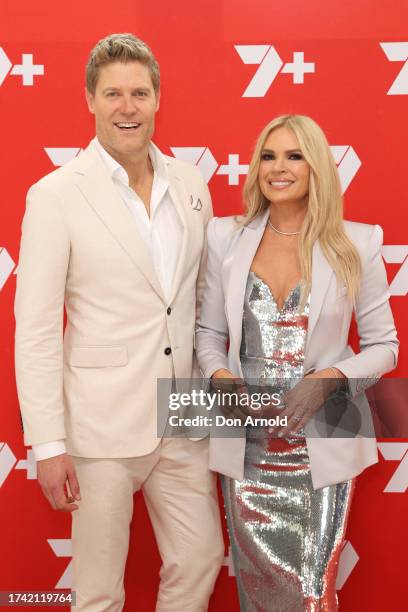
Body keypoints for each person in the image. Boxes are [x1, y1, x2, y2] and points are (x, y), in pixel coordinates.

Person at [15, 33, 223, 611]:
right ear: (90, 100)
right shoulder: (54, 196)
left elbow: (199, 303)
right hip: (98, 427)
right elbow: (34, 327)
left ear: (158, 99)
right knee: (99, 590)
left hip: (184, 419)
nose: (127, 107)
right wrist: (48, 444)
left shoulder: (191, 185)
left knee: (201, 558)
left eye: (139, 93)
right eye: (113, 94)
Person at [195, 114, 398, 611]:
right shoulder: (224, 237)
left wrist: (330, 378)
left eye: (293, 155)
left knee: (312, 591)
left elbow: (384, 346)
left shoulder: (358, 242)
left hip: (323, 440)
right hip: (248, 448)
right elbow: (208, 334)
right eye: (268, 155)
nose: (278, 168)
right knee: (258, 590)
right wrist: (221, 378)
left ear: (317, 167)